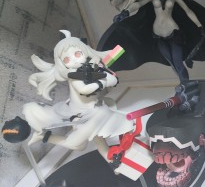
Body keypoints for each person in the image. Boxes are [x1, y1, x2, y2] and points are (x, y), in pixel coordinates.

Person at [23, 30, 133, 160]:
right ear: (62, 64)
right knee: (75, 144)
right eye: (67, 59)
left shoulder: (91, 67)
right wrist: (101, 82)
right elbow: (84, 89)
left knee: (89, 140)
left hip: (90, 110)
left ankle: (109, 158)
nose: (74, 60)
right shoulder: (74, 75)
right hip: (81, 113)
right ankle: (43, 136)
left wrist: (107, 76)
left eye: (77, 54)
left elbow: (111, 79)